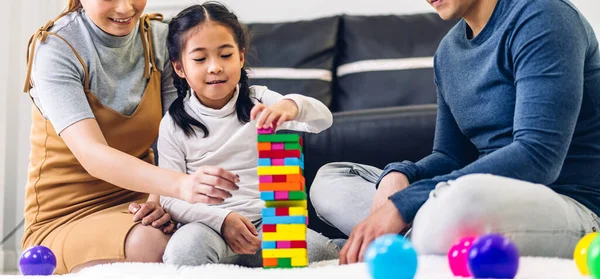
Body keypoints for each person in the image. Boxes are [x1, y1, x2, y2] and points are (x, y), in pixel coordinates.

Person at [310, 0, 600, 264]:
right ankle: (395, 240)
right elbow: (450, 155)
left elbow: (538, 156)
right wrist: (400, 175)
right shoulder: (448, 52)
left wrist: (406, 202)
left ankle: (373, 244)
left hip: (568, 204)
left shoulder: (544, 16)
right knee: (331, 180)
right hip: (473, 195)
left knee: (454, 207)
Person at [22, 0, 237, 274]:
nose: (125, 8)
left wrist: (158, 200)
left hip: (147, 197)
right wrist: (179, 187)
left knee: (196, 235)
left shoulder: (159, 38)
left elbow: (185, 135)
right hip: (67, 213)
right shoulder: (56, 48)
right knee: (159, 245)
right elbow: (93, 155)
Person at [158, 2, 339, 266]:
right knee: (183, 251)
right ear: (179, 68)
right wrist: (222, 220)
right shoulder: (173, 124)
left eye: (225, 55)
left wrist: (291, 106)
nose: (215, 67)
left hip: (270, 225)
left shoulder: (262, 101)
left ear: (241, 58)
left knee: (321, 254)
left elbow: (324, 120)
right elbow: (169, 197)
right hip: (209, 227)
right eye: (200, 59)